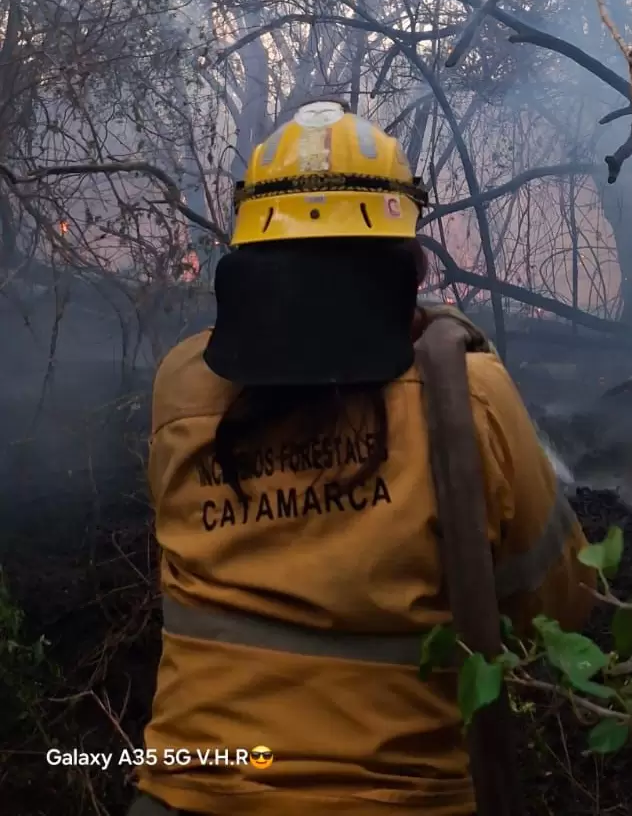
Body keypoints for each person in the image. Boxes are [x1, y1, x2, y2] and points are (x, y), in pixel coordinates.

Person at [128, 99, 595, 816]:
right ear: (406, 264)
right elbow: (561, 607)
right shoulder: (467, 396)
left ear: (248, 258)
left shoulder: (181, 384)